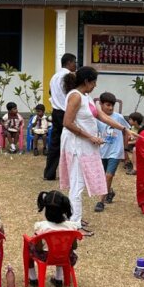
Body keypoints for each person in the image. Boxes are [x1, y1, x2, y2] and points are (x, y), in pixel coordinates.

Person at [59, 66, 134, 234]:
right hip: (77, 145)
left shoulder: (87, 97)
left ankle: (74, 218)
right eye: (94, 82)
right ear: (86, 81)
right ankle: (74, 224)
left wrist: (124, 129)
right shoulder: (75, 96)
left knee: (80, 183)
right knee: (77, 184)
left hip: (86, 146)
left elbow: (102, 116)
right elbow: (67, 123)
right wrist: (90, 137)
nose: (95, 86)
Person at [27, 190, 79, 287]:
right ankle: (59, 278)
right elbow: (74, 246)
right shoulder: (72, 226)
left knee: (28, 247)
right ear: (64, 209)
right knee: (61, 248)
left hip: (46, 257)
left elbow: (38, 249)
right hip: (66, 257)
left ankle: (33, 278)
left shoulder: (41, 226)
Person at [94, 92, 129, 213]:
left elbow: (126, 131)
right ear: (101, 104)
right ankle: (109, 192)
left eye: (112, 105)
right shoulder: (97, 118)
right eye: (107, 105)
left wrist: (125, 149)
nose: (110, 108)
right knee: (103, 176)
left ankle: (101, 202)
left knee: (108, 176)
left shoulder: (118, 117)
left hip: (115, 151)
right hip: (102, 151)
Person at [44, 53, 77, 181]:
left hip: (56, 111)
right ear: (69, 63)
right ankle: (69, 174)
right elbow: (72, 94)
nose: (75, 65)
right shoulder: (68, 77)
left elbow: (50, 92)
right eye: (74, 62)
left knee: (55, 143)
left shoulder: (54, 77)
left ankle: (49, 173)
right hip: (66, 112)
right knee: (70, 142)